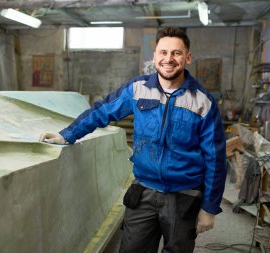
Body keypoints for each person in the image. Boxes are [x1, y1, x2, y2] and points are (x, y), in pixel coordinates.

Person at [39, 26, 226, 253]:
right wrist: (66, 134)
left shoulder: (203, 102)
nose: (169, 59)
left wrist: (209, 207)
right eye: (163, 52)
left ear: (187, 57)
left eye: (176, 53)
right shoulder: (138, 89)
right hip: (144, 191)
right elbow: (101, 111)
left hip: (184, 196)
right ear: (155, 56)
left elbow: (215, 159)